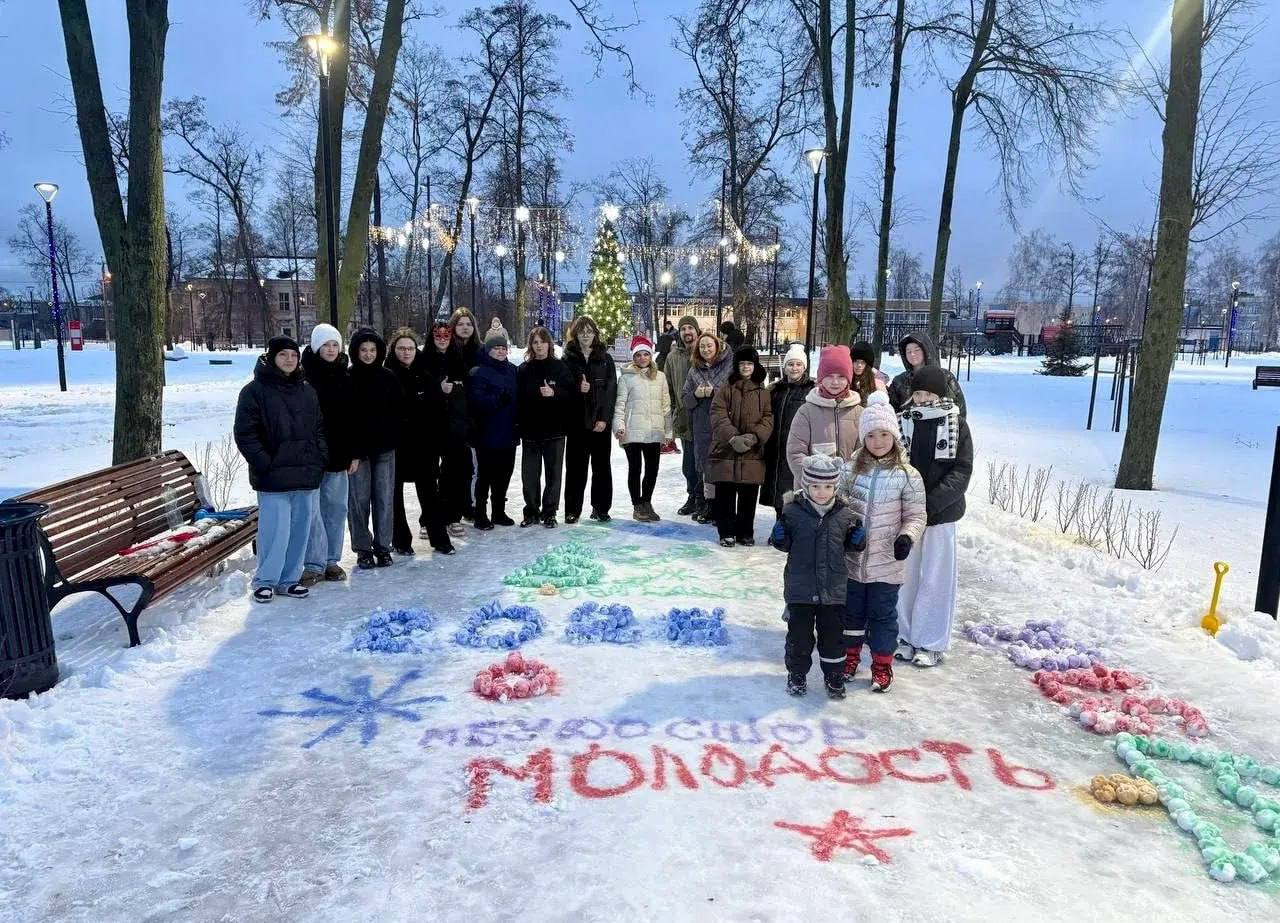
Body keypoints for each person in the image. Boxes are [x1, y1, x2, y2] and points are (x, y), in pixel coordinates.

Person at [839, 391, 928, 692]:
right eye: (872, 435)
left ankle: (881, 664)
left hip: (887, 564)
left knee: (882, 616)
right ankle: (849, 658)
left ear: (894, 436)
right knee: (851, 615)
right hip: (853, 562)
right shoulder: (850, 470)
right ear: (863, 438)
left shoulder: (908, 474)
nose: (878, 441)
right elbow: (839, 504)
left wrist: (906, 537)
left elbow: (916, 515)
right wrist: (847, 531)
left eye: (884, 434)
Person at [233, 336, 326, 603]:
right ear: (271, 357)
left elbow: (319, 429)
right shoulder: (254, 391)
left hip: (305, 473)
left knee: (299, 530)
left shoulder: (307, 390)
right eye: (283, 355)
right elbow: (246, 433)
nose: (289, 360)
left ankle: (290, 578)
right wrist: (265, 462)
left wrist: (318, 458)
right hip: (274, 476)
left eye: (293, 355)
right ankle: (266, 579)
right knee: (276, 530)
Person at [894, 365, 973, 668]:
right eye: (917, 393)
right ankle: (905, 634)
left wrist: (930, 504)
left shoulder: (957, 424)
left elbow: (962, 470)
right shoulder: (903, 421)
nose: (922, 399)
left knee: (936, 578)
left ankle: (930, 641)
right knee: (905, 575)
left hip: (941, 513)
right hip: (907, 512)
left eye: (928, 393)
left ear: (940, 394)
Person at [769, 454, 865, 698]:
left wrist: (858, 541)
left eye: (828, 486)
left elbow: (851, 546)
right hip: (800, 588)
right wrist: (780, 537)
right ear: (806, 486)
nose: (822, 492)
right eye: (815, 486)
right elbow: (785, 544)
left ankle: (834, 677)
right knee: (799, 638)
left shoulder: (844, 514)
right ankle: (797, 675)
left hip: (833, 590)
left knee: (833, 638)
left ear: (835, 486)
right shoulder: (792, 511)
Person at [386, 327, 455, 556]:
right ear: (393, 350)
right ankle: (401, 540)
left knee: (429, 493)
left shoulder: (425, 375)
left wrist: (439, 442)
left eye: (410, 348)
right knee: (394, 496)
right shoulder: (387, 374)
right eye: (401, 348)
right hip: (396, 445)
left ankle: (440, 538)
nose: (406, 353)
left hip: (424, 445)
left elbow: (438, 410)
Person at [300, 323, 357, 586]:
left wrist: (354, 453)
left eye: (335, 344)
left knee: (335, 508)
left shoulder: (346, 376)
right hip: (311, 455)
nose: (331, 349)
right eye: (326, 345)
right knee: (313, 511)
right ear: (316, 347)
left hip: (339, 453)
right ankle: (313, 562)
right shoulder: (303, 376)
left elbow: (354, 419)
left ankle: (331, 560)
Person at [346, 328, 402, 569]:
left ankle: (383, 546)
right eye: (363, 350)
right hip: (358, 453)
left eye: (372, 350)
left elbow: (399, 411)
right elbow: (344, 418)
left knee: (384, 499)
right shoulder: (347, 377)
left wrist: (392, 437)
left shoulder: (388, 377)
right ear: (356, 352)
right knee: (358, 502)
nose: (368, 354)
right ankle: (362, 548)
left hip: (385, 450)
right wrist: (352, 451)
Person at [707, 345, 774, 547]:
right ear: (736, 365)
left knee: (748, 495)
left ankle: (746, 531)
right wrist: (733, 437)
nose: (746, 367)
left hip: (752, 452)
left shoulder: (763, 392)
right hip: (726, 449)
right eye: (742, 363)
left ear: (755, 366)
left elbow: (768, 418)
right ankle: (726, 531)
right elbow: (717, 415)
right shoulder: (725, 389)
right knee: (725, 494)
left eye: (749, 364)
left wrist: (754, 437)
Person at [562, 315, 617, 523]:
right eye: (582, 331)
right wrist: (578, 389)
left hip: (600, 424)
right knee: (576, 468)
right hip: (577, 423)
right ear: (575, 334)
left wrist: (604, 419)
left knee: (602, 468)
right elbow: (562, 391)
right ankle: (572, 509)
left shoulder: (605, 359)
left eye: (589, 331)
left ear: (595, 334)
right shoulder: (567, 359)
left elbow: (611, 390)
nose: (586, 334)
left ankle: (601, 508)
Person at [517, 326, 574, 528]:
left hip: (555, 431)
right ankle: (531, 511)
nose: (539, 345)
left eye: (542, 341)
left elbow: (571, 395)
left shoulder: (560, 368)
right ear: (531, 346)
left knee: (554, 474)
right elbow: (518, 400)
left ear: (549, 344)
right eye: (535, 342)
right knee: (529, 476)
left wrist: (555, 393)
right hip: (531, 432)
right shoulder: (523, 370)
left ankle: (549, 512)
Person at [612, 334, 673, 522]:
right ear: (633, 357)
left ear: (650, 355)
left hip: (654, 431)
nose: (642, 358)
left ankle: (647, 501)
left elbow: (666, 406)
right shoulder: (626, 378)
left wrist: (668, 432)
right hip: (632, 431)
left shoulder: (660, 377)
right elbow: (620, 404)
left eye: (645, 354)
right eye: (638, 355)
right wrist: (619, 426)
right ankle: (637, 505)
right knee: (635, 468)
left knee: (652, 469)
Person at [785, 346, 863, 489]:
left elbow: (863, 453)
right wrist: (814, 485)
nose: (835, 382)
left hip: (850, 492)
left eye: (841, 377)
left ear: (849, 379)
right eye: (829, 376)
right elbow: (795, 452)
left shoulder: (860, 413)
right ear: (821, 378)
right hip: (813, 494)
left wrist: (853, 482)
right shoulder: (806, 411)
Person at [468, 329, 519, 530]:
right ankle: (480, 513)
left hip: (509, 432)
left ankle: (499, 510)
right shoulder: (478, 371)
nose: (500, 351)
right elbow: (475, 400)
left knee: (505, 474)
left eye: (503, 348)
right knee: (485, 475)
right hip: (487, 433)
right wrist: (497, 399)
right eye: (496, 348)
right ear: (488, 350)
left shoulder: (512, 370)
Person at [682, 331, 734, 524]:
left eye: (709, 345)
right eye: (702, 346)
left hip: (724, 422)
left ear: (717, 346)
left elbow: (735, 393)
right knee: (706, 465)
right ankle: (708, 505)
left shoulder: (729, 366)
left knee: (723, 464)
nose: (706, 349)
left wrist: (716, 392)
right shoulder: (694, 370)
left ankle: (722, 506)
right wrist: (695, 394)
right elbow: (684, 399)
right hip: (702, 423)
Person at [424, 320, 470, 538]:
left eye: (446, 336)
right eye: (438, 336)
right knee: (429, 473)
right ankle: (429, 517)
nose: (442, 339)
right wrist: (437, 389)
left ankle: (452, 515)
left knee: (453, 472)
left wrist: (454, 390)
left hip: (455, 423)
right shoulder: (424, 360)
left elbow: (465, 388)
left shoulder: (458, 358)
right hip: (431, 424)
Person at [761, 343, 814, 517]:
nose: (794, 368)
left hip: (798, 445)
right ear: (785, 367)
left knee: (794, 488)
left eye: (798, 364)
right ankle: (780, 523)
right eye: (790, 364)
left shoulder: (810, 390)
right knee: (778, 490)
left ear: (804, 367)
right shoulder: (776, 390)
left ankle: (790, 524)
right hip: (776, 445)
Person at [445, 307, 483, 522]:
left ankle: (467, 504)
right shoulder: (448, 350)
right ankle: (448, 510)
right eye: (460, 324)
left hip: (474, 414)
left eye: (468, 324)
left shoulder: (480, 350)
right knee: (451, 467)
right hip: (452, 415)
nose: (465, 327)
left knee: (470, 465)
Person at [663, 316, 702, 517]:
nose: (687, 332)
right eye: (683, 328)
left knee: (703, 462)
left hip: (705, 417)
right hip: (684, 416)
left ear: (697, 330)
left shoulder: (706, 352)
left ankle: (704, 498)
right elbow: (668, 386)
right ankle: (692, 496)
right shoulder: (673, 357)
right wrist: (671, 412)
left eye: (690, 328)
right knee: (688, 464)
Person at [887, 331, 967, 416]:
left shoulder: (944, 376)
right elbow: (892, 411)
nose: (912, 354)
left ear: (925, 350)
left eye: (917, 350)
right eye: (908, 351)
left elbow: (959, 408)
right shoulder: (899, 381)